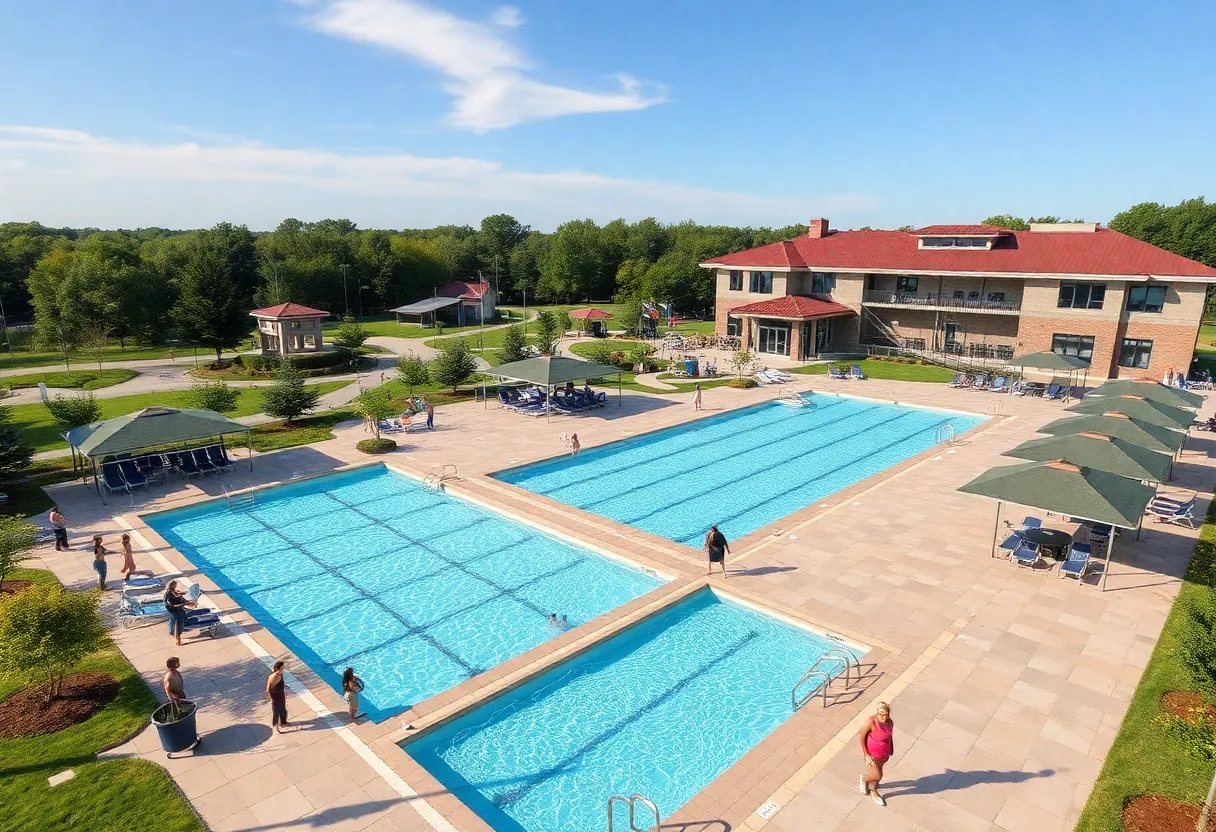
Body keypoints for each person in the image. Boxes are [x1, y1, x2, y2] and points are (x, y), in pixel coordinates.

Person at [859, 702, 895, 806]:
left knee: (879, 774)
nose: (883, 717)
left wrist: (891, 748)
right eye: (881, 714)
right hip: (873, 754)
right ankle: (865, 779)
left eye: (885, 715)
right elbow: (862, 735)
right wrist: (866, 753)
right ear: (877, 713)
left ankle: (873, 789)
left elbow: (889, 736)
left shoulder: (890, 722)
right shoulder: (872, 722)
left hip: (884, 753)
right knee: (877, 775)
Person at [164, 580, 196, 647]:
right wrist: (185, 603)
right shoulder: (168, 596)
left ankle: (176, 637)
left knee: (175, 626)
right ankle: (178, 642)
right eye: (175, 585)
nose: (176, 586)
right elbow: (172, 605)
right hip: (175, 613)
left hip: (177, 611)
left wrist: (182, 595)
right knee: (177, 627)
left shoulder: (172, 592)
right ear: (172, 586)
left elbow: (177, 596)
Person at [267, 660, 290, 732]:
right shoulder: (274, 677)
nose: (283, 670)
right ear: (277, 668)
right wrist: (271, 699)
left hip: (281, 695)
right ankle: (276, 727)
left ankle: (283, 722)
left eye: (283, 669)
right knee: (276, 712)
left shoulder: (281, 674)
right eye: (282, 669)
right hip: (275, 697)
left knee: (283, 710)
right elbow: (268, 688)